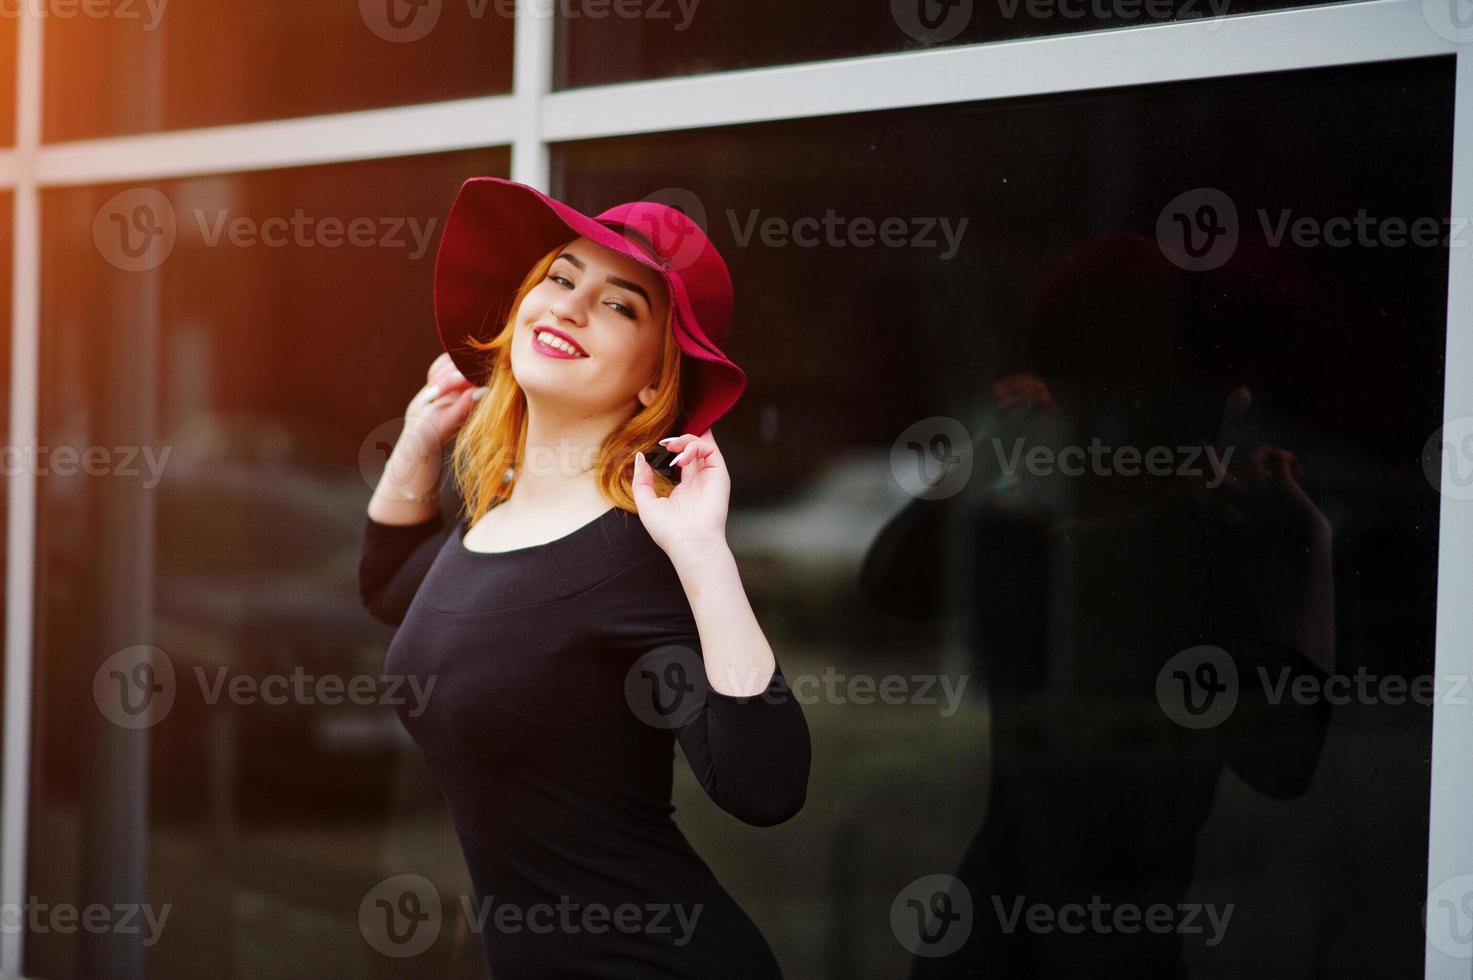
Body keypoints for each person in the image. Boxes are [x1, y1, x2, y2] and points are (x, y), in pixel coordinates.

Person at [358, 177, 811, 978]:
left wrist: (703, 551)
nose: (568, 305)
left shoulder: (640, 556)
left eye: (619, 304)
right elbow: (393, 588)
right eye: (560, 278)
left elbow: (763, 784)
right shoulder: (491, 518)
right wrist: (417, 442)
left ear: (653, 378)